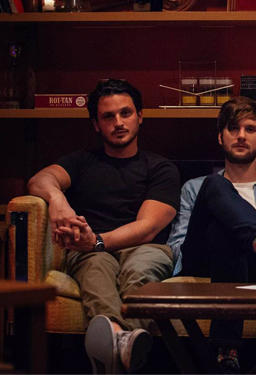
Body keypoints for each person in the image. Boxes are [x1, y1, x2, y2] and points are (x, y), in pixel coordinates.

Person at [27, 79, 180, 374]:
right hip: (90, 252)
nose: (118, 122)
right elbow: (39, 180)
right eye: (108, 116)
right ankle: (122, 345)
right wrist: (57, 199)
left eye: (126, 113)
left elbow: (147, 227)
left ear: (140, 116)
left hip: (144, 247)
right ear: (96, 125)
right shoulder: (81, 162)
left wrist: (96, 240)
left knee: (141, 269)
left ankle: (111, 346)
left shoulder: (160, 168)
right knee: (95, 267)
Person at [167, 97, 256, 373]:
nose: (241, 136)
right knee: (214, 184)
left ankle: (227, 352)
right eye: (233, 128)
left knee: (224, 234)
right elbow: (178, 245)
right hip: (203, 260)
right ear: (220, 136)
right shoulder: (195, 188)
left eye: (250, 129)